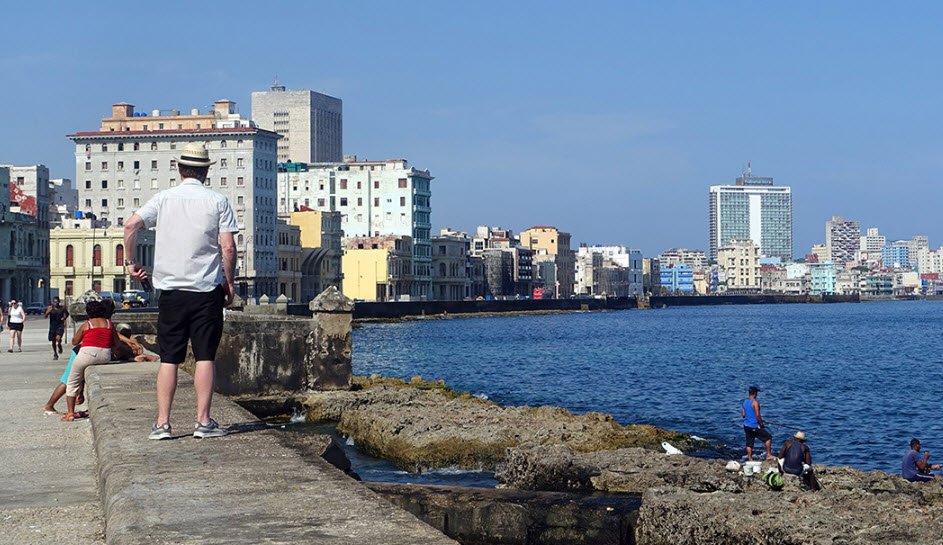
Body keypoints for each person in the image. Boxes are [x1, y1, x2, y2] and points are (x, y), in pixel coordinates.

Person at [124, 141, 237, 440]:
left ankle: (162, 424)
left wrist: (131, 263)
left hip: (171, 291)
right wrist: (229, 283)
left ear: (179, 169)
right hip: (206, 290)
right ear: (206, 172)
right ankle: (203, 422)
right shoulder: (218, 201)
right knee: (205, 357)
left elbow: (131, 225)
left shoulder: (163, 199)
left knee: (169, 358)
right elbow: (228, 248)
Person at [62, 300, 121, 421]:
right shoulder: (109, 324)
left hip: (87, 354)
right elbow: (117, 343)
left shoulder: (87, 324)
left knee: (72, 382)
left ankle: (70, 413)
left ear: (88, 312)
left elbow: (75, 342)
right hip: (105, 355)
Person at [741, 385, 773, 461]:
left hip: (746, 426)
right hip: (754, 426)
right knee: (768, 438)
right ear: (755, 393)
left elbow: (743, 415)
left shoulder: (744, 402)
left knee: (749, 443)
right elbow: (758, 415)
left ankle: (750, 459)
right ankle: (768, 455)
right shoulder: (755, 402)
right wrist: (761, 424)